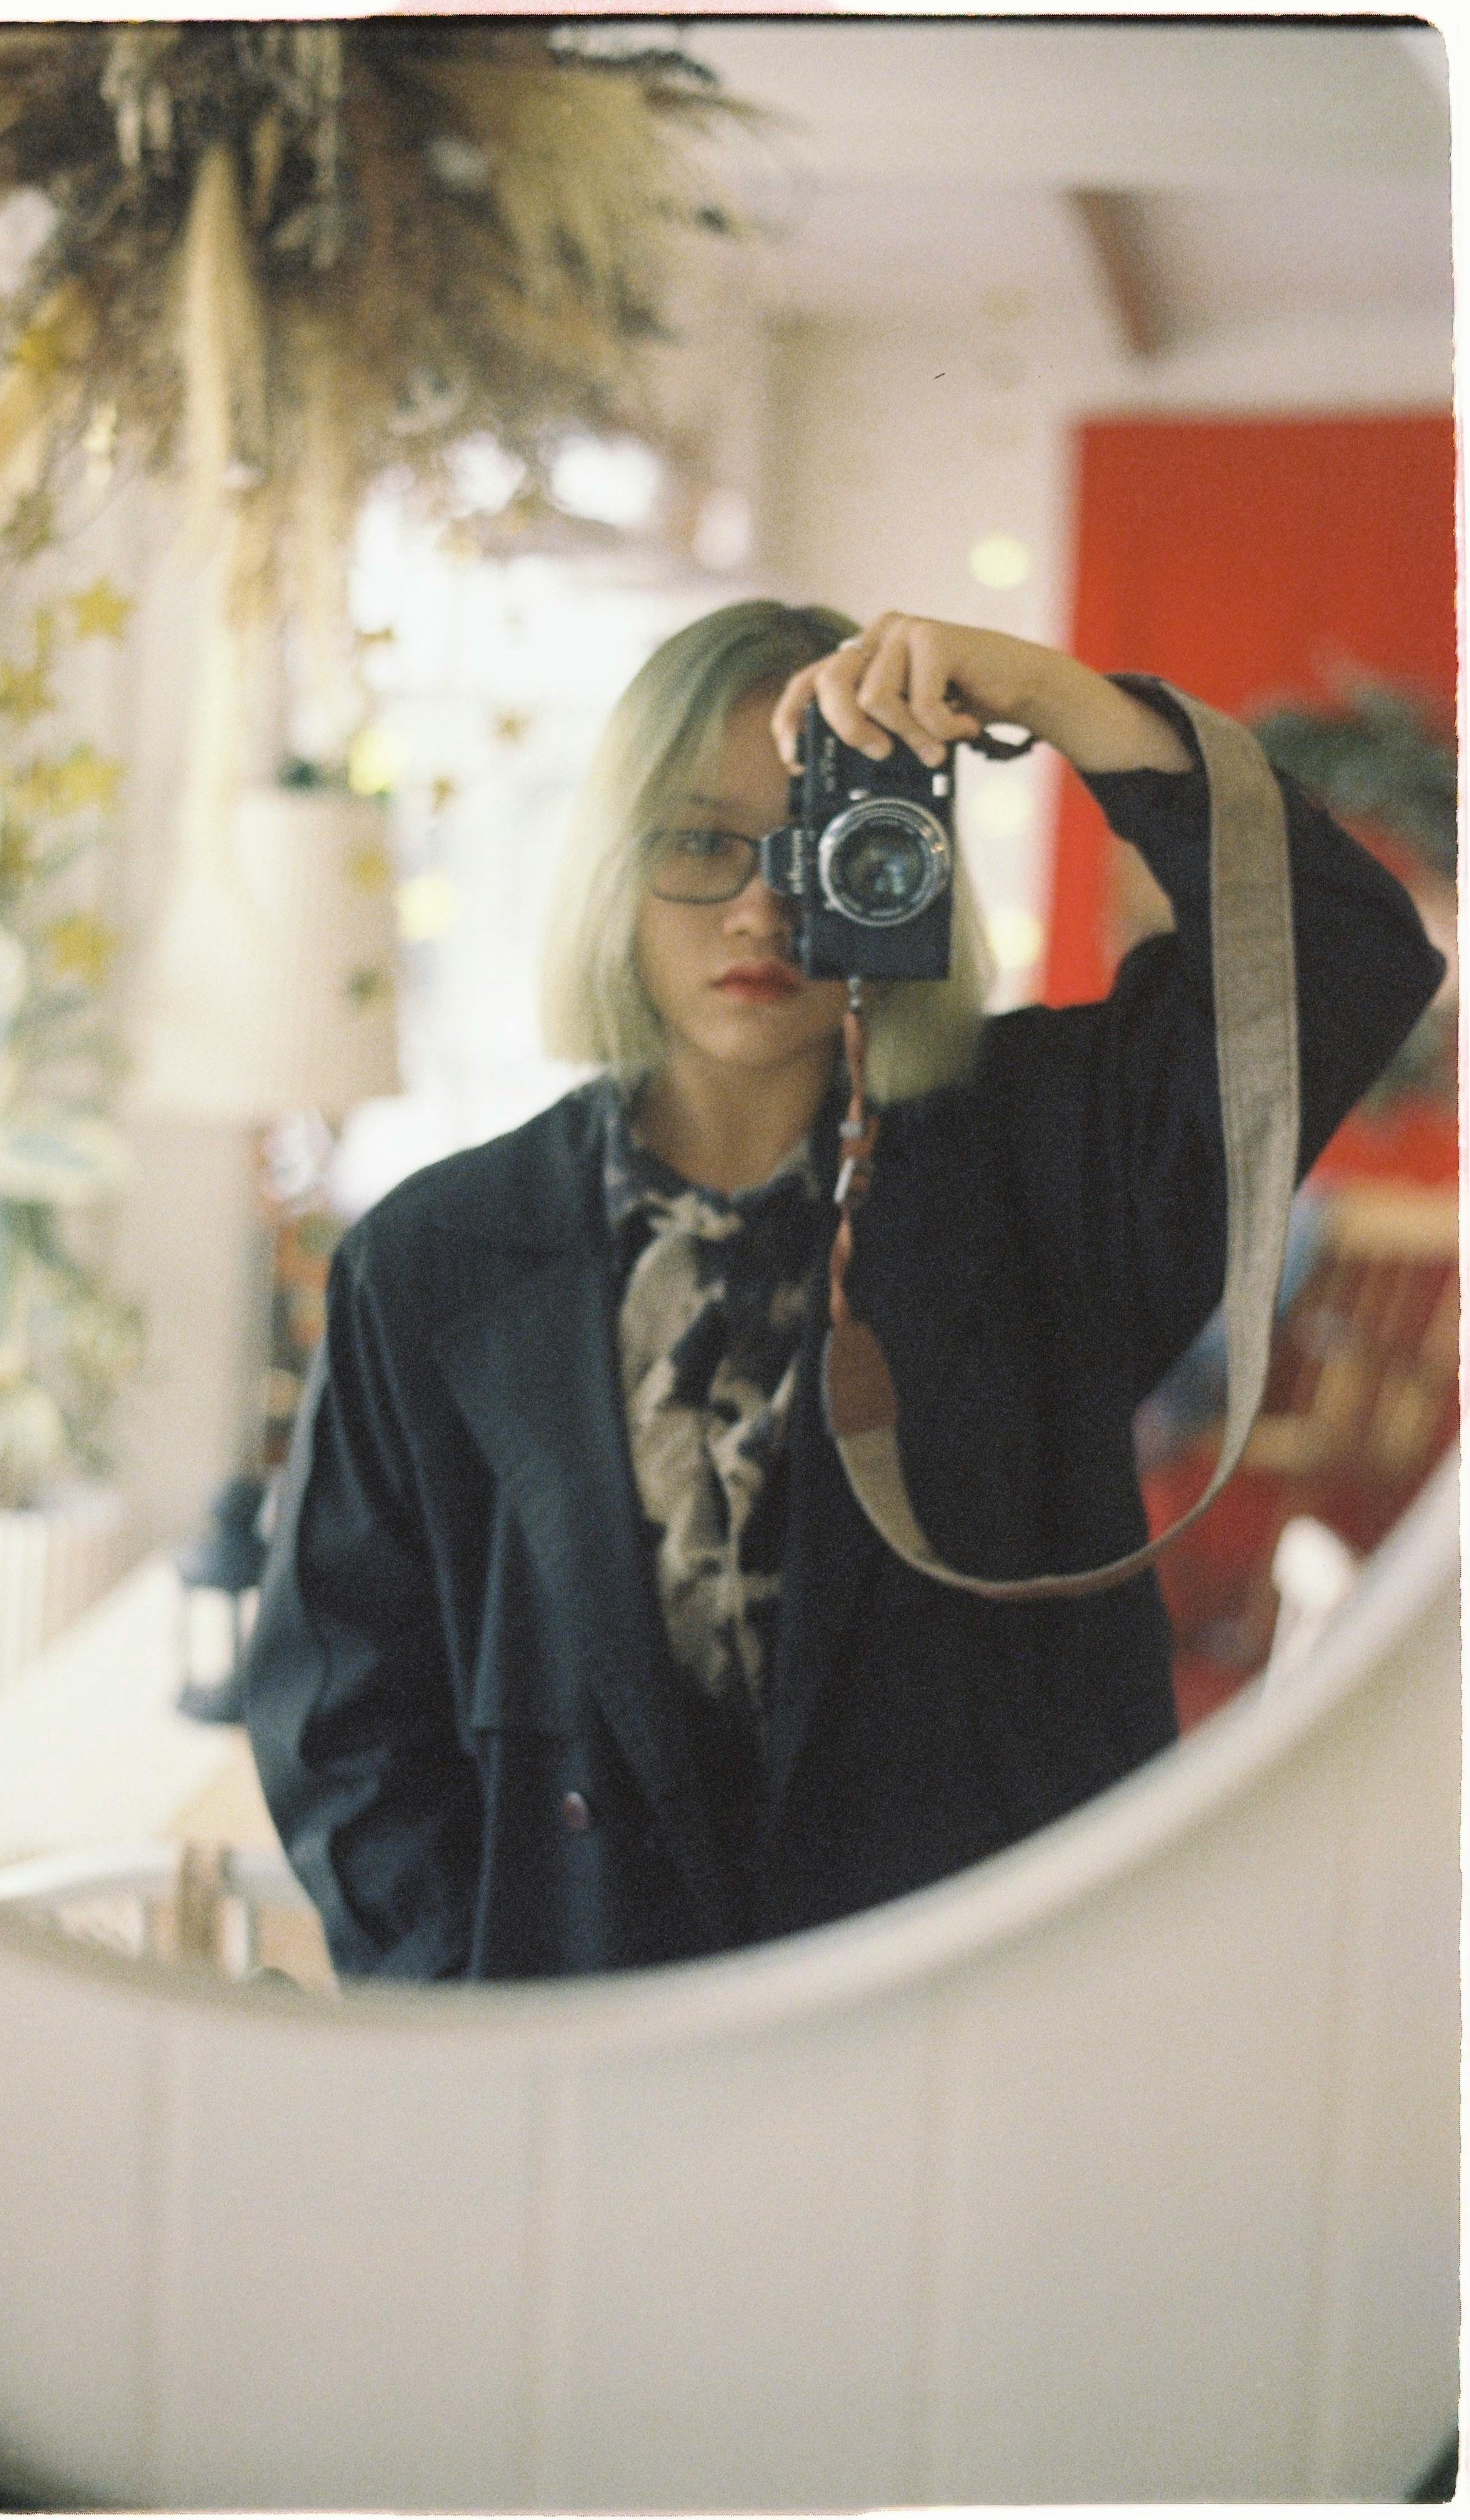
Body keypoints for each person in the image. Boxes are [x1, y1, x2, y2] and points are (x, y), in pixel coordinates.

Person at [243, 602, 1444, 1982]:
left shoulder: (1047, 1158)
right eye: (697, 842)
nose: (757, 905)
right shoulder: (432, 1256)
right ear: (609, 874)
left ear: (907, 868)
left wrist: (1062, 703)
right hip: (583, 2061)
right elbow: (343, 1724)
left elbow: (1347, 958)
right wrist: (477, 2014)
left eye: (810, 842)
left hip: (982, 2029)